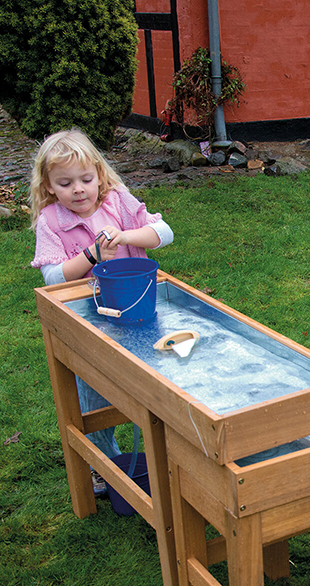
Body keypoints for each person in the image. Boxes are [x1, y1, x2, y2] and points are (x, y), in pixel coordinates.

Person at [29, 129, 174, 492]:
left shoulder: (117, 201)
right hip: (89, 316)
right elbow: (52, 276)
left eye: (86, 179)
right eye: (65, 183)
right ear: (48, 186)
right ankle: (101, 460)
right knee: (94, 389)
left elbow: (164, 232)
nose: (78, 189)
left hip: (137, 306)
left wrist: (126, 237)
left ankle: (169, 451)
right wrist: (91, 255)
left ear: (99, 173)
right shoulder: (50, 221)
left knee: (157, 378)